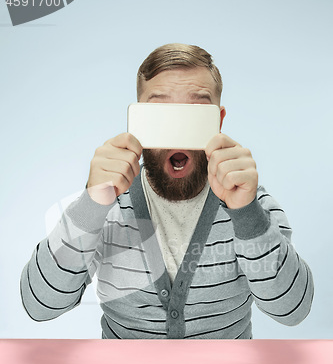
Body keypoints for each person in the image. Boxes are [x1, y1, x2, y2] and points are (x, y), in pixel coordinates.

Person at [20, 43, 314, 339]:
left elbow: (292, 310)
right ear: (136, 122)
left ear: (219, 120)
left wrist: (246, 213)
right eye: (160, 110)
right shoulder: (106, 204)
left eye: (197, 110)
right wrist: (92, 204)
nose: (178, 131)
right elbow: (40, 305)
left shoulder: (254, 205)